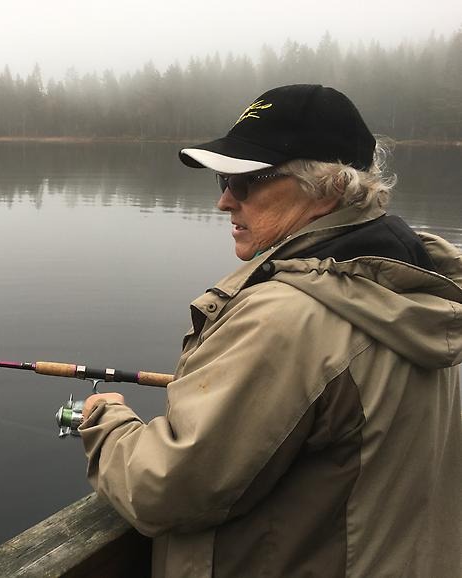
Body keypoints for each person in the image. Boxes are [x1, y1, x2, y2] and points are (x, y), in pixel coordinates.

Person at [78, 84, 462, 577]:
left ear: (328, 188)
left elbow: (164, 490)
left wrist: (106, 419)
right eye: (223, 179)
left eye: (243, 182)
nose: (224, 201)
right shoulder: (415, 278)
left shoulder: (287, 319)